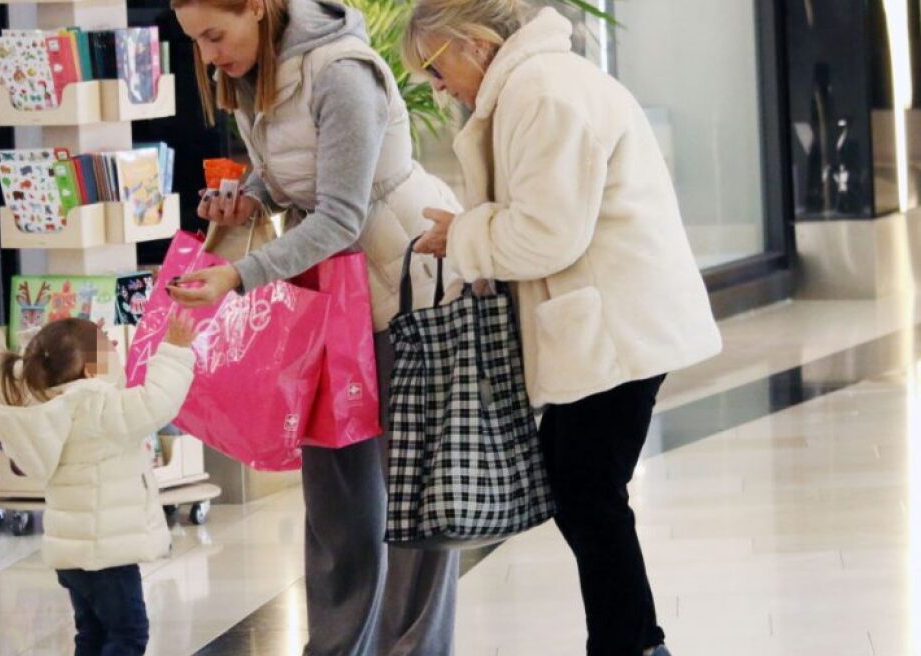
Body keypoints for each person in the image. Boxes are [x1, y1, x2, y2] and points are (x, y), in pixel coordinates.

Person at [401, 2, 723, 655]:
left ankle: (631, 644)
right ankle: (632, 641)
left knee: (586, 489)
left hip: (615, 329)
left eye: (435, 68)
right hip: (610, 325)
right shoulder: (534, 87)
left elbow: (547, 235)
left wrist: (462, 235)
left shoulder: (543, 94)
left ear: (477, 43)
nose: (437, 87)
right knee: (584, 487)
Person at [166, 0, 463, 653]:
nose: (211, 54)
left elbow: (342, 217)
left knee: (411, 501)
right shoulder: (253, 74)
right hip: (328, 299)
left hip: (403, 283)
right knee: (335, 501)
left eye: (216, 34)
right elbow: (295, 181)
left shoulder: (342, 75)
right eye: (198, 43)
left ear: (258, 8)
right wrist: (252, 198)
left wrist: (239, 274)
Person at [0, 316, 198, 656]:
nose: (116, 350)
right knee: (128, 634)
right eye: (109, 349)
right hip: (107, 554)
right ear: (92, 372)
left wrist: (83, 343)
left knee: (90, 633)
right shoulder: (98, 406)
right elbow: (156, 401)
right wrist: (174, 351)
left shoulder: (45, 407)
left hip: (73, 554)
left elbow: (54, 358)